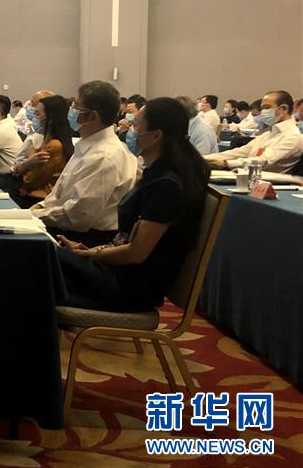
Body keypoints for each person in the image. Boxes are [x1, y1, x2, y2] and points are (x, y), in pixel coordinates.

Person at [56, 98, 211, 312]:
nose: (130, 130)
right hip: (117, 272)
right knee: (45, 255)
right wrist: (90, 250)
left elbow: (136, 253)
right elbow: (127, 239)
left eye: (136, 124)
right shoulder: (158, 173)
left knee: (41, 260)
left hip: (128, 286)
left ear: (156, 135)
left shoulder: (166, 185)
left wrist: (90, 255)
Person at [31, 81, 137, 247]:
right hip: (61, 225)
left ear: (92, 116)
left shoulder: (104, 156)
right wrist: (38, 207)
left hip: (84, 240)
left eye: (76, 107)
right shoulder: (87, 145)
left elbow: (77, 216)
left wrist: (32, 216)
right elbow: (58, 194)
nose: (71, 111)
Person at [205, 90, 303, 173]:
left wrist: (226, 163)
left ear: (284, 109)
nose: (263, 112)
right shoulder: (268, 134)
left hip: (269, 183)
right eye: (262, 108)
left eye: (267, 107)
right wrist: (204, 158)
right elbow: (240, 152)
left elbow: (263, 161)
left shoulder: (293, 137)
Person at [11, 95, 74, 208]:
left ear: (50, 118)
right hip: (29, 194)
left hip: (36, 199)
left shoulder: (54, 146)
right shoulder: (45, 140)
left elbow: (30, 180)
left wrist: (29, 159)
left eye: (37, 114)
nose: (34, 118)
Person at [14, 89, 55, 172]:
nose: (30, 108)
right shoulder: (35, 133)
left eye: (33, 105)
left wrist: (29, 161)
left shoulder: (48, 139)